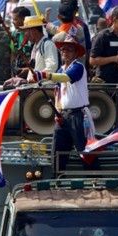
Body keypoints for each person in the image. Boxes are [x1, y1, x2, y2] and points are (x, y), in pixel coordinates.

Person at [31, 33, 95, 171]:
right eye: (63, 49)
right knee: (58, 149)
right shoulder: (61, 69)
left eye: (69, 49)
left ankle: (94, 178)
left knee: (84, 149)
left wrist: (43, 74)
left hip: (78, 115)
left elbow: (65, 78)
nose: (65, 52)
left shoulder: (78, 67)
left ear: (76, 53)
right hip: (63, 115)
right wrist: (57, 111)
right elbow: (57, 92)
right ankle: (57, 178)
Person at [90, 6, 118, 83]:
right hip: (105, 82)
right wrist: (114, 58)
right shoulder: (102, 36)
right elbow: (92, 61)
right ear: (114, 19)